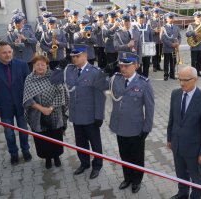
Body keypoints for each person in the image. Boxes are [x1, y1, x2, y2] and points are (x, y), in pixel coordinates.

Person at [50, 44, 106, 179]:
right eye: (73, 57)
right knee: (80, 142)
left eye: (77, 56)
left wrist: (99, 115)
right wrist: (60, 66)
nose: (74, 59)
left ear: (85, 56)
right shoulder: (69, 70)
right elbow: (53, 80)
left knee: (95, 142)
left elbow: (100, 96)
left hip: (90, 115)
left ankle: (97, 165)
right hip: (76, 114)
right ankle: (84, 163)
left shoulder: (95, 72)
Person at [109, 52, 154, 193]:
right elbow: (99, 85)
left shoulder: (143, 83)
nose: (123, 69)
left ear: (136, 65)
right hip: (120, 126)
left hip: (136, 128)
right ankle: (127, 178)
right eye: (121, 66)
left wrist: (146, 129)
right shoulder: (116, 79)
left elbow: (150, 107)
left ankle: (136, 180)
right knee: (124, 155)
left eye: (127, 66)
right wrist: (104, 71)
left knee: (137, 157)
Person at [167, 66, 201, 199]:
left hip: (194, 150)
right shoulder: (175, 94)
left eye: (186, 80)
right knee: (181, 174)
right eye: (180, 79)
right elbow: (172, 119)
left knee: (196, 178)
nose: (182, 83)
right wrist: (169, 138)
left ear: (195, 79)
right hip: (177, 145)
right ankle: (182, 194)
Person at [0, 41, 31, 165]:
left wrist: (31, 103)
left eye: (9, 52)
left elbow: (29, 85)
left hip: (21, 105)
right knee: (9, 133)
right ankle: (13, 154)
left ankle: (26, 150)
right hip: (3, 107)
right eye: (4, 52)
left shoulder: (22, 65)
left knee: (24, 130)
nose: (7, 55)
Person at [23, 55, 67, 169]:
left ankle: (56, 157)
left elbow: (61, 93)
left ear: (47, 65)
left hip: (55, 112)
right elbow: (28, 98)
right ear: (33, 66)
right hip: (38, 114)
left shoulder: (54, 76)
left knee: (56, 136)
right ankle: (47, 158)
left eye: (43, 64)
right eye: (38, 64)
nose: (40, 67)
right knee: (43, 138)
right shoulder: (29, 78)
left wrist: (51, 108)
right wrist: (42, 109)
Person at [186, 11, 201, 77]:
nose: (199, 18)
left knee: (200, 60)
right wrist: (193, 33)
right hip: (194, 46)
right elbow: (187, 34)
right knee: (193, 61)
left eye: (200, 17)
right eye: (197, 17)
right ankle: (193, 73)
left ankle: (198, 72)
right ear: (194, 18)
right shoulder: (191, 25)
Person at [161, 13, 181, 81]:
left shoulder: (176, 27)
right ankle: (166, 75)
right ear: (166, 19)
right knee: (166, 62)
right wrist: (171, 44)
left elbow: (179, 37)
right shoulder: (163, 27)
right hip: (167, 48)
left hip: (175, 49)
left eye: (172, 18)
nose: (171, 19)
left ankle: (172, 74)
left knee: (173, 62)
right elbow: (163, 38)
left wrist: (178, 43)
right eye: (170, 18)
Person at [134, 12, 153, 77]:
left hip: (147, 48)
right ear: (137, 18)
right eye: (140, 18)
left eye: (142, 18)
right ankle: (139, 78)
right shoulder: (134, 27)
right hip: (138, 48)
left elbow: (151, 38)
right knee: (139, 64)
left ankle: (145, 78)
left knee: (146, 64)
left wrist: (151, 48)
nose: (141, 19)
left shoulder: (147, 26)